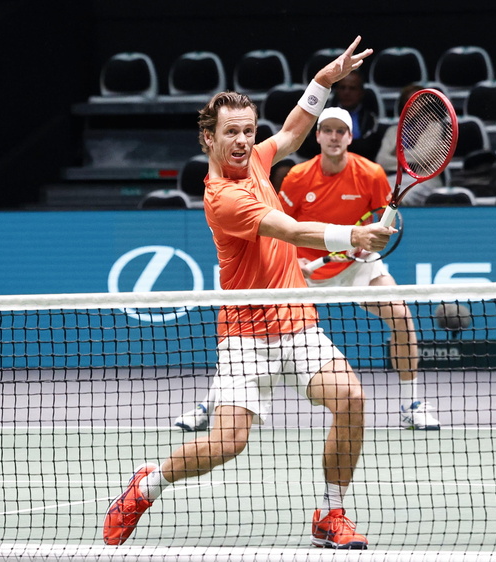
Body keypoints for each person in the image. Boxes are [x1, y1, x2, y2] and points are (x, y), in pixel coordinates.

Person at [102, 37, 388, 550]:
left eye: (247, 131)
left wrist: (324, 81)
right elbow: (292, 231)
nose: (242, 141)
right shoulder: (224, 199)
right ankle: (146, 486)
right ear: (207, 139)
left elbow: (295, 131)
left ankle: (331, 512)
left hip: (297, 322)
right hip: (245, 336)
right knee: (227, 444)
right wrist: (353, 237)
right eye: (230, 133)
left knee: (351, 397)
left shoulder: (255, 160)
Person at [176, 107, 441, 433]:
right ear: (317, 136)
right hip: (306, 266)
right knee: (249, 330)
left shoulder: (370, 173)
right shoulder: (299, 177)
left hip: (354, 262)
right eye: (326, 130)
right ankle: (210, 404)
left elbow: (381, 220)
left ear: (349, 136)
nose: (333, 136)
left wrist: (369, 239)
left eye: (340, 131)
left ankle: (411, 404)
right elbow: (282, 227)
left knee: (399, 314)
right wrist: (298, 259)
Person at [375, 83, 446, 205]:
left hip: (423, 180)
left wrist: (396, 154)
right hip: (395, 179)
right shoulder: (392, 131)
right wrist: (410, 159)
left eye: (418, 101)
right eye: (408, 101)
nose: (413, 105)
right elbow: (381, 160)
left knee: (403, 199)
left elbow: (422, 158)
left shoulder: (435, 127)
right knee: (379, 194)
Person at [330, 70, 383, 160]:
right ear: (337, 91)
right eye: (342, 88)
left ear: (361, 93)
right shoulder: (325, 117)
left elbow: (368, 148)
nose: (346, 93)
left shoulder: (370, 119)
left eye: (352, 88)